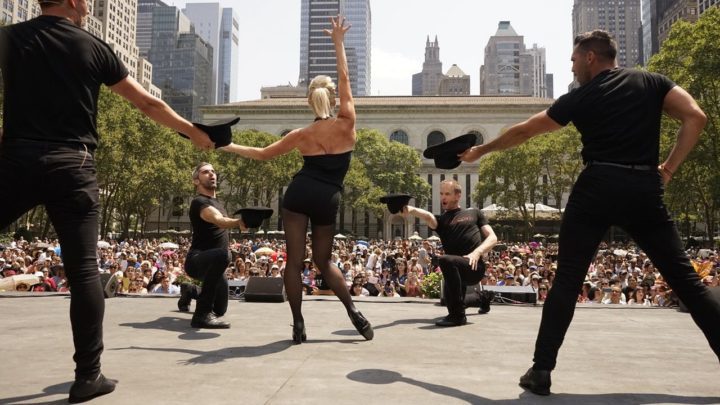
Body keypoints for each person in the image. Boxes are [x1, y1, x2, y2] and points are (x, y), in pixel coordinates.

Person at [460, 30, 720, 396]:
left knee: (567, 280)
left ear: (591, 58)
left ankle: (541, 370)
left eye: (574, 59)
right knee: (687, 283)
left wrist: (481, 151)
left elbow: (525, 131)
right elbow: (696, 117)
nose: (572, 65)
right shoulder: (653, 82)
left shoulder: (580, 97)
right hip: (644, 187)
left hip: (597, 185)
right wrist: (668, 169)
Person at [0, 0, 213, 402]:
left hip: (15, 158)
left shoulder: (10, 37)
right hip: (74, 164)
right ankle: (87, 377)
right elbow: (148, 103)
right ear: (73, 2)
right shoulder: (94, 46)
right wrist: (193, 133)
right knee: (83, 273)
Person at [220, 15, 373, 344]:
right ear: (333, 100)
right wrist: (338, 42)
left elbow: (261, 154)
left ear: (308, 101)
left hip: (299, 194)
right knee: (323, 261)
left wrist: (227, 144)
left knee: (293, 260)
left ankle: (298, 323)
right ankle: (354, 313)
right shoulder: (347, 121)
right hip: (327, 198)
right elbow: (345, 77)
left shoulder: (301, 135)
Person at [402, 180, 498, 326]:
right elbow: (428, 216)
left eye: (447, 193)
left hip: (473, 266)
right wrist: (410, 209)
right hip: (455, 269)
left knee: (445, 260)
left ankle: (457, 316)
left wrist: (477, 253)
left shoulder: (474, 213)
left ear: (458, 195)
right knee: (448, 300)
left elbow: (493, 237)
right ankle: (482, 297)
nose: (443, 197)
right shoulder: (442, 221)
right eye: (441, 194)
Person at [179, 163, 246, 329]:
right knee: (224, 254)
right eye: (205, 172)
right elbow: (219, 220)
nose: (211, 174)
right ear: (196, 180)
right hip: (197, 260)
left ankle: (190, 290)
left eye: (213, 171)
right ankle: (201, 316)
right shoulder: (199, 202)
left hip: (214, 265)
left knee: (220, 309)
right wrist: (239, 222)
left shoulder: (218, 203)